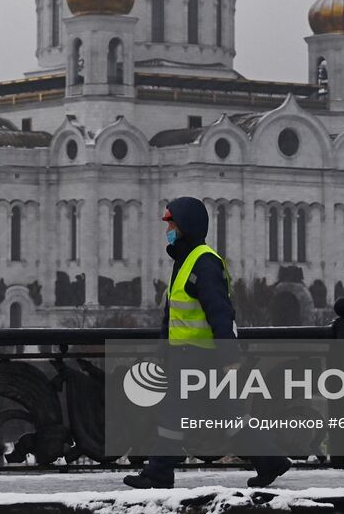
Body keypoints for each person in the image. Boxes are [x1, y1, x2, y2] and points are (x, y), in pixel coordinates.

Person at [123, 196, 291, 489]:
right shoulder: (185, 260)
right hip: (188, 354)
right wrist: (164, 348)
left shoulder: (204, 262)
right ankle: (271, 460)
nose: (168, 228)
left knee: (173, 413)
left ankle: (159, 472)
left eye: (172, 223)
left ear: (187, 225)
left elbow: (220, 312)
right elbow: (173, 311)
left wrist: (229, 356)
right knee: (225, 416)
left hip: (199, 356)